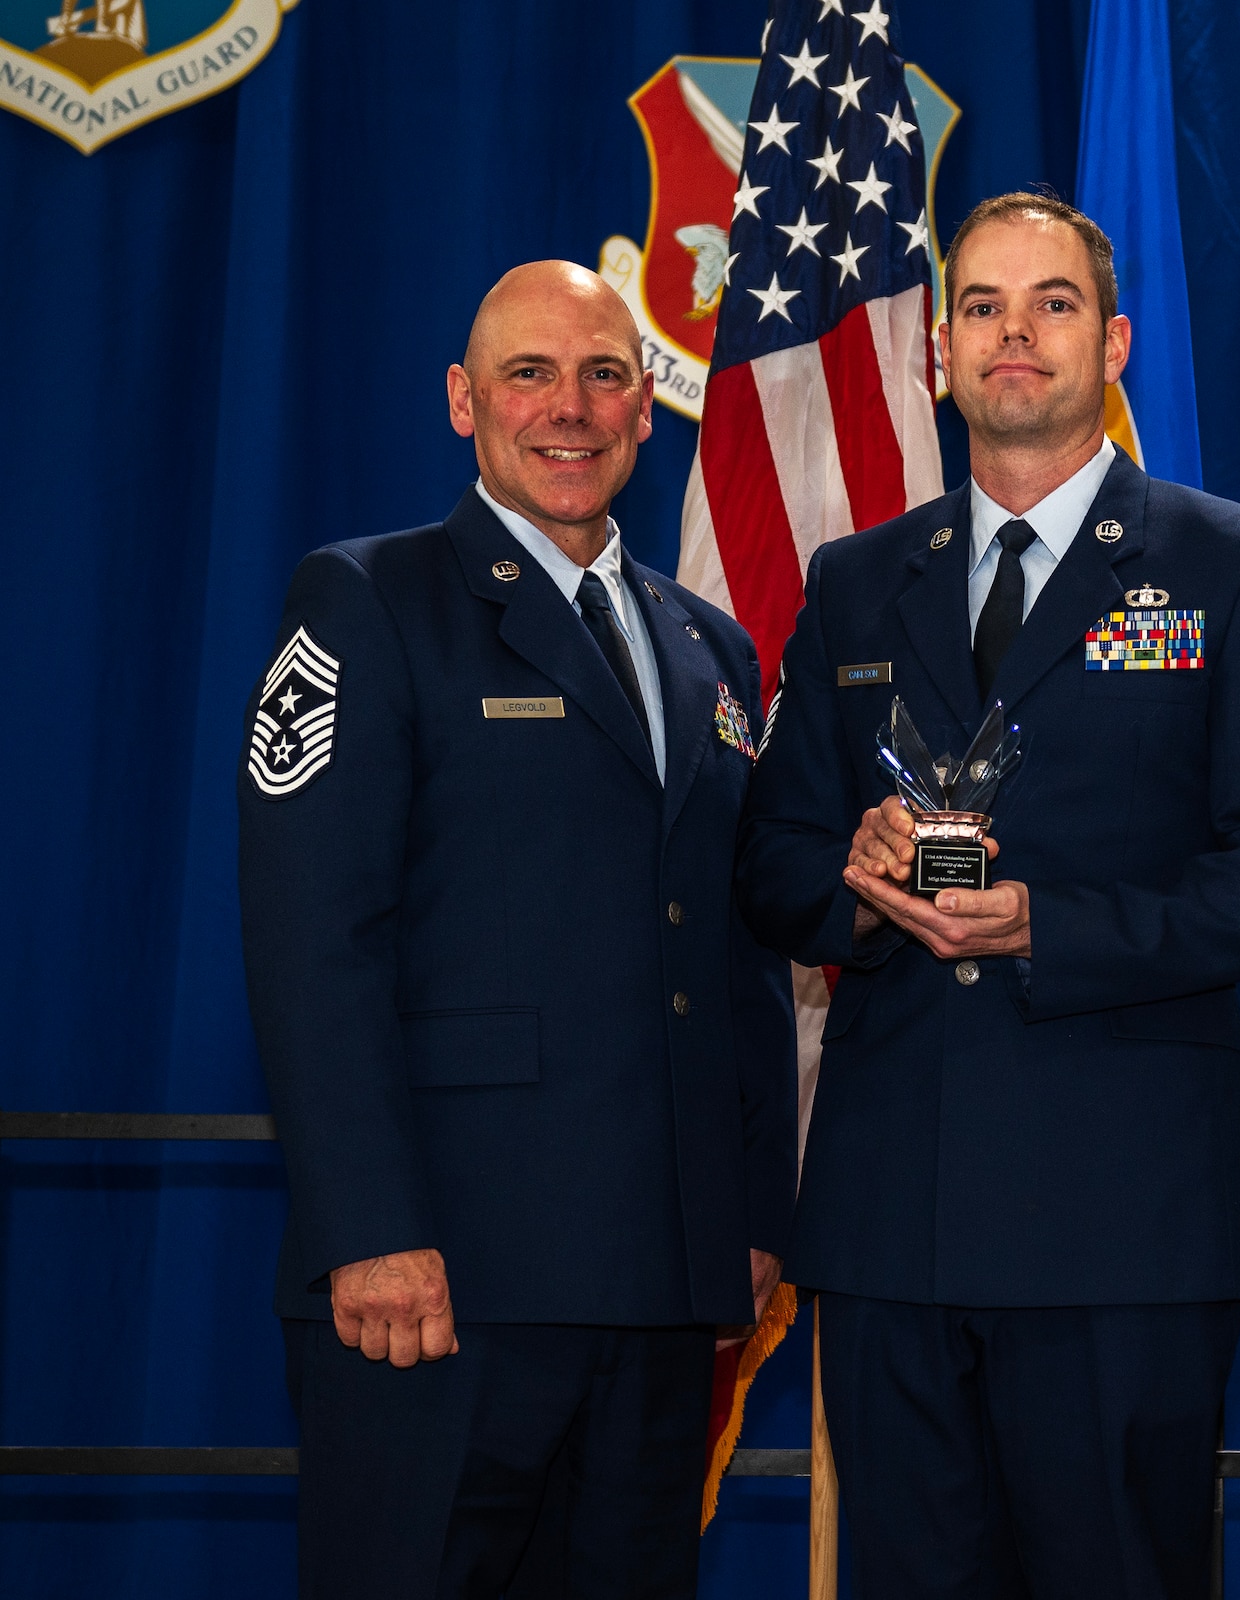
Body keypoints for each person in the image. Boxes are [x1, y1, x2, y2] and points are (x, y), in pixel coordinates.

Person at [737, 193, 1240, 1597]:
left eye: (1054, 303)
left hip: (1121, 1225)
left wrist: (1051, 926)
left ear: (1115, 341)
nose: (1015, 333)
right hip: (897, 1221)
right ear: (937, 356)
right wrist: (855, 883)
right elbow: (768, 864)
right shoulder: (852, 586)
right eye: (983, 306)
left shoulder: (1237, 568)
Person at [237, 261, 795, 1599]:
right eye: (529, 373)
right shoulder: (369, 603)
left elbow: (739, 956)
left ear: (648, 405)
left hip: (660, 1287)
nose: (572, 407)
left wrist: (752, 1208)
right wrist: (365, 1226)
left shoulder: (709, 647)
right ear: (462, 401)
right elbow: (315, 940)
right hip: (438, 1286)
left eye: (607, 373)